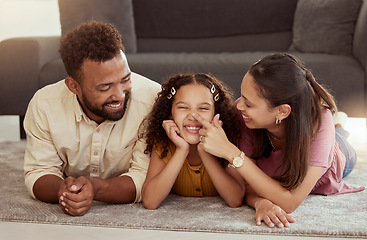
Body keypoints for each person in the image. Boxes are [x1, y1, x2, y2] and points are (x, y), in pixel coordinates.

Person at [193, 53, 365, 228]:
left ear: (282, 111)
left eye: (249, 103)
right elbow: (249, 185)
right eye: (242, 96)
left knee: (340, 138)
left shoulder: (318, 122)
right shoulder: (244, 115)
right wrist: (262, 203)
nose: (239, 105)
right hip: (281, 155)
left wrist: (231, 152)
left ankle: (339, 126)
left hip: (334, 160)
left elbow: (290, 202)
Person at [23, 21, 161, 216]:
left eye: (125, 80)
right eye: (105, 87)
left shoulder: (152, 101)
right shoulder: (44, 104)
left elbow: (145, 179)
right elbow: (39, 172)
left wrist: (94, 189)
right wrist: (64, 191)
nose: (120, 94)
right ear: (73, 86)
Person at [141, 73, 246, 209]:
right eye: (183, 107)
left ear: (216, 114)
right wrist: (181, 150)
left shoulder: (228, 141)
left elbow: (235, 200)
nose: (193, 115)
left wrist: (204, 150)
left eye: (203, 108)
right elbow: (150, 201)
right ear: (170, 113)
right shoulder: (163, 143)